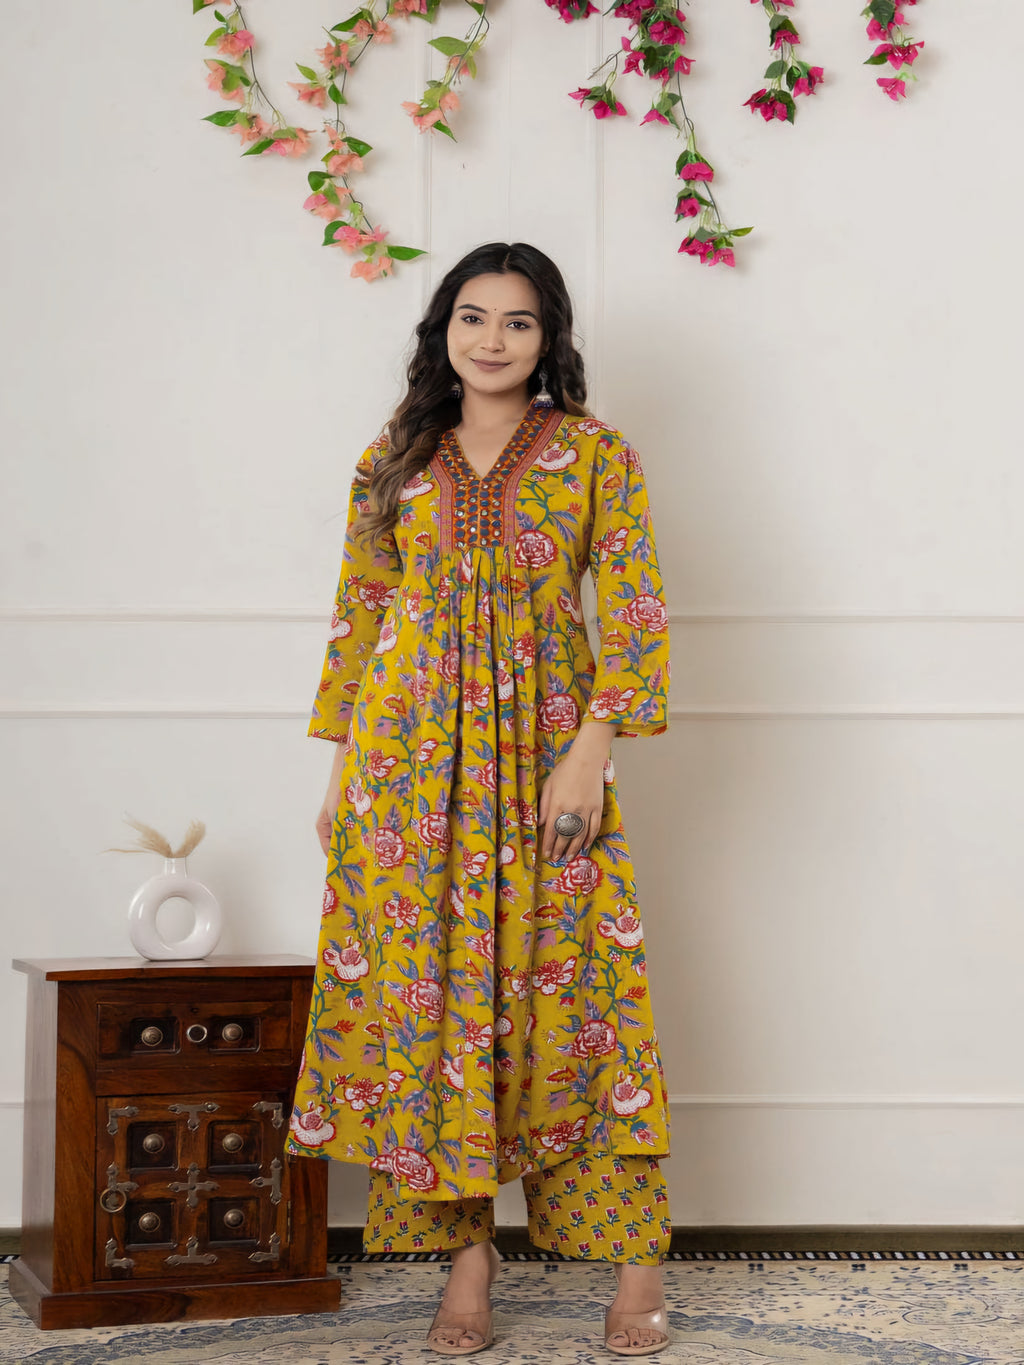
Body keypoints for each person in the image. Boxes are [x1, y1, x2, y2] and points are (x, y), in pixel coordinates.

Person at [286, 242, 673, 1356]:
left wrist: (592, 751)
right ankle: (467, 1262)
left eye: (516, 321)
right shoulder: (396, 454)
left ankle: (637, 1261)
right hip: (408, 768)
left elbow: (634, 609)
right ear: (442, 330)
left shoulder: (595, 454)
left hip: (547, 750)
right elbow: (362, 616)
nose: (491, 340)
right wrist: (343, 772)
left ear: (549, 339)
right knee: (436, 1001)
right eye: (472, 316)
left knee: (584, 993)